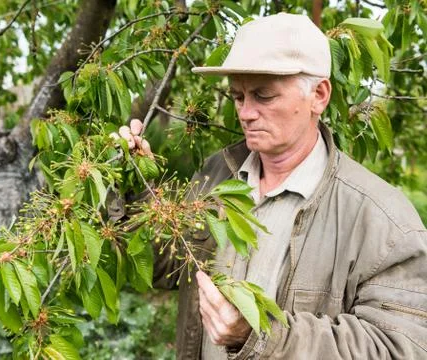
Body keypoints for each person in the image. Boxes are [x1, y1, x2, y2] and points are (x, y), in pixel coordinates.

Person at [121, 13, 427, 360]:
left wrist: (259, 336)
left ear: (319, 95)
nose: (246, 113)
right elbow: (162, 266)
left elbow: (401, 348)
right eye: (238, 97)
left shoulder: (380, 217)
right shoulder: (219, 175)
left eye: (263, 97)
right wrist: (132, 177)